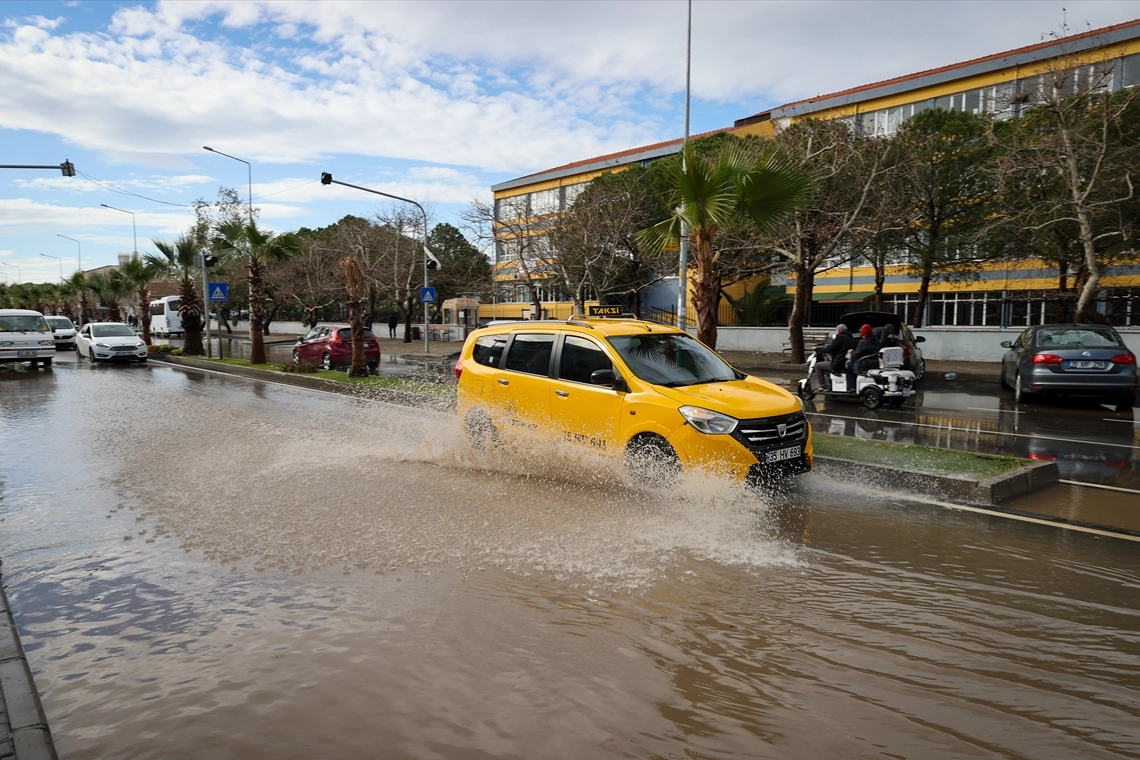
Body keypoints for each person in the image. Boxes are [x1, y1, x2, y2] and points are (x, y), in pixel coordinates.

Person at [811, 323, 858, 390]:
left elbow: (831, 348)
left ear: (839, 330)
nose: (835, 331)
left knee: (818, 365)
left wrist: (817, 349)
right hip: (846, 362)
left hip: (838, 363)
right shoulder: (851, 338)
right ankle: (830, 383)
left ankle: (823, 386)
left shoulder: (840, 337)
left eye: (836, 330)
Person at [847, 323, 882, 390]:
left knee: (850, 367)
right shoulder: (876, 340)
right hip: (876, 362)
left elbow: (856, 355)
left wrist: (851, 351)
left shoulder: (863, 342)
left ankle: (852, 387)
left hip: (865, 363)